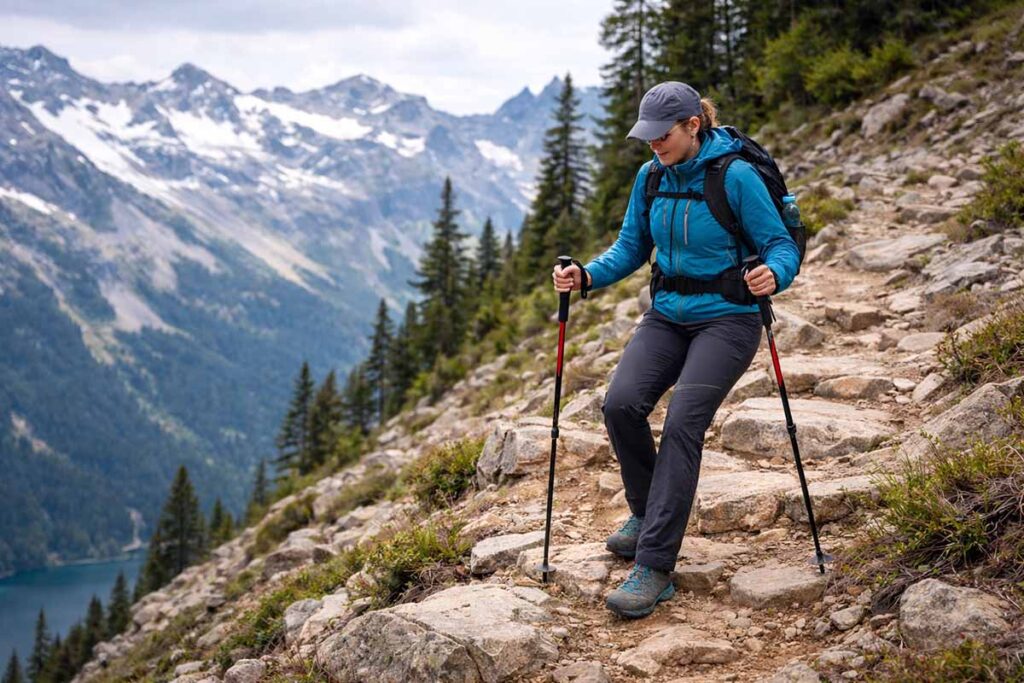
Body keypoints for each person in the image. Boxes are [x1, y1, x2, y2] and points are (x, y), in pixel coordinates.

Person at [552, 81, 800, 619]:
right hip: (667, 314)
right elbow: (632, 247)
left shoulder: (733, 176)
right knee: (620, 404)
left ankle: (655, 565)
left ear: (693, 126)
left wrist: (772, 275)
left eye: (661, 136)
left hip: (729, 320)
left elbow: (780, 243)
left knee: (684, 421)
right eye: (646, 137)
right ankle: (646, 514)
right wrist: (587, 275)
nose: (652, 146)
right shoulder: (651, 176)